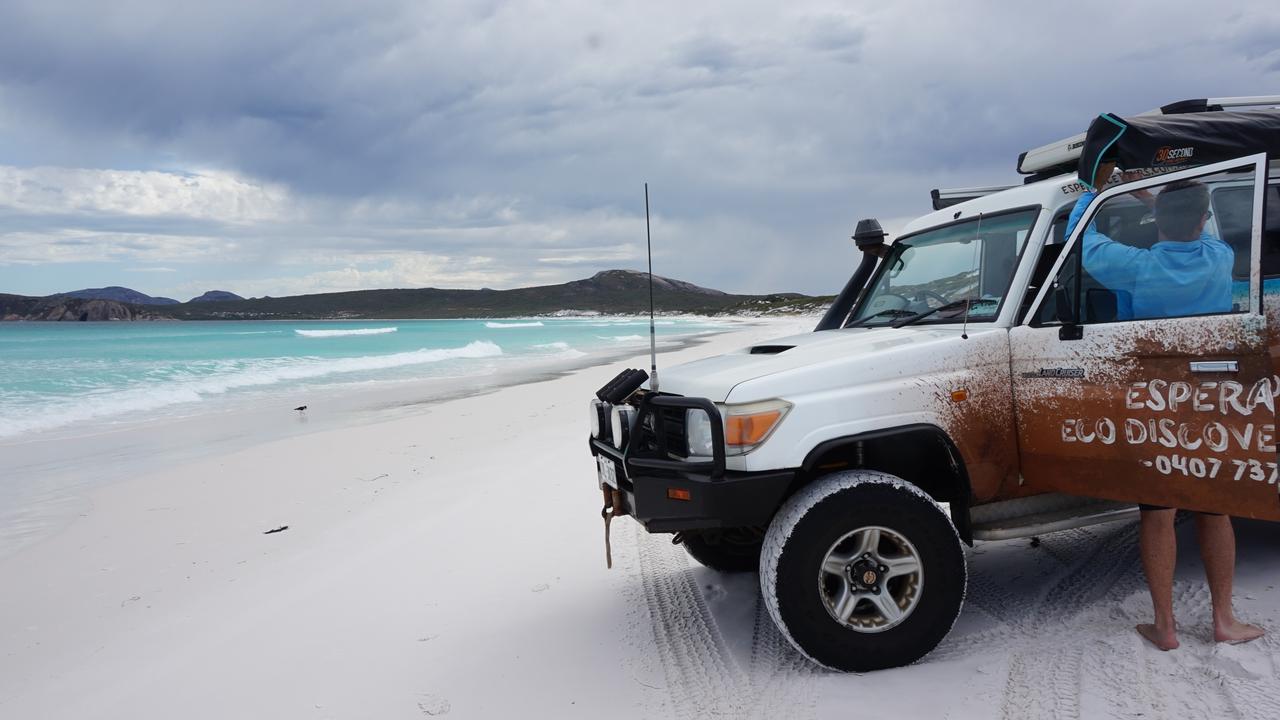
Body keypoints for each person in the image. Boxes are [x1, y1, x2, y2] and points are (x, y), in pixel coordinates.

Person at [1068, 164, 1263, 650]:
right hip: (1214, 395)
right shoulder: (1220, 257)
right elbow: (1201, 224)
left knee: (1158, 510)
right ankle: (1223, 620)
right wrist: (1160, 200)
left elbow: (1081, 236)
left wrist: (1098, 189)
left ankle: (1166, 627)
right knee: (1215, 508)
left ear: (1160, 227)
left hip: (1157, 396)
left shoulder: (1135, 266)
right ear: (1201, 221)